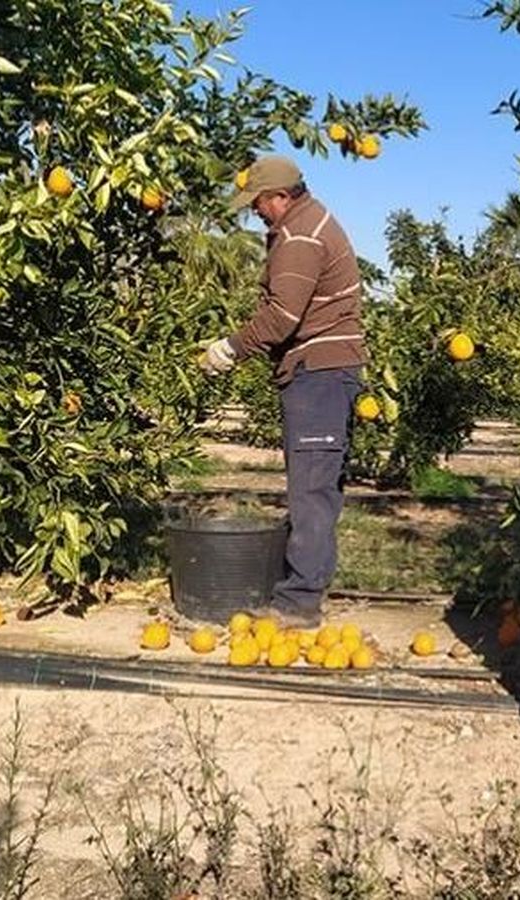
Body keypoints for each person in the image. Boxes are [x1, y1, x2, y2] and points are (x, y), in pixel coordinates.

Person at [199, 155, 366, 628]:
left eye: (258, 202)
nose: (255, 211)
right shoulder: (309, 221)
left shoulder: (299, 236)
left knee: (310, 489)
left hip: (319, 374)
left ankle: (299, 604)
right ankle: (300, 589)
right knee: (316, 486)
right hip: (324, 372)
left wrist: (229, 349)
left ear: (280, 197)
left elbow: (280, 318)